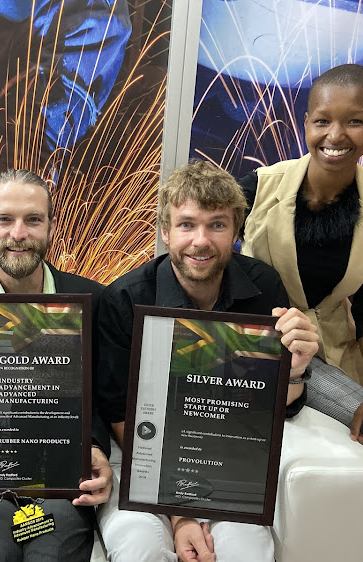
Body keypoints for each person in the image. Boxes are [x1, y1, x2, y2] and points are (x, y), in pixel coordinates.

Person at [97, 161, 320, 562]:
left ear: (236, 231)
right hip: (143, 453)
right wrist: (179, 513)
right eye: (186, 225)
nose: (200, 240)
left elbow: (273, 405)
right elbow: (120, 417)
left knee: (247, 552)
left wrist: (297, 368)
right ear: (165, 232)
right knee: (140, 548)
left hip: (229, 451)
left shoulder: (263, 287)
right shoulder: (126, 299)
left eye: (217, 225)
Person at [240, 63, 363, 511]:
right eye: (322, 121)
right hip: (262, 343)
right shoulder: (259, 187)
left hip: (333, 348)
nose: (335, 135)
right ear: (306, 124)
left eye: (355, 120)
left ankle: (318, 526)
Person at [0, 169, 112, 561]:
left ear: (51, 226)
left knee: (53, 552)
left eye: (33, 219)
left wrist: (94, 450)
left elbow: (100, 394)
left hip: (60, 478)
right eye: (4, 219)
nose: (18, 234)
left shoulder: (92, 299)